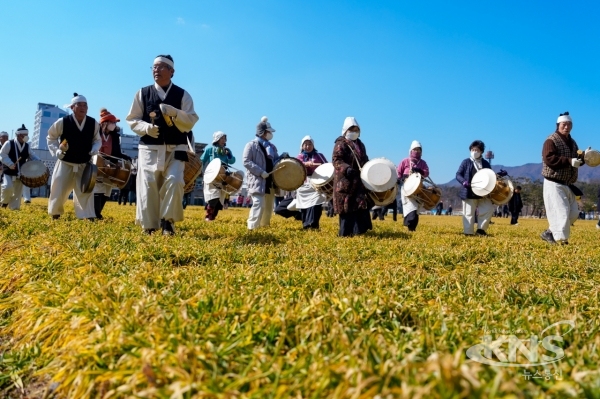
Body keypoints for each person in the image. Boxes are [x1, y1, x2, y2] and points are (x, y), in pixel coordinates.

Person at [126, 55, 199, 235]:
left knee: (175, 182)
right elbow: (132, 119)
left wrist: (176, 113)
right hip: (149, 148)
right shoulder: (142, 93)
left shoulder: (183, 95)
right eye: (154, 67)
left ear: (171, 72)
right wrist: (145, 127)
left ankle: (168, 222)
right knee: (148, 184)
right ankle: (149, 225)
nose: (156, 70)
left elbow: (190, 121)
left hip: (176, 148)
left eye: (161, 67)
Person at [47, 94, 102, 220]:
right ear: (72, 107)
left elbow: (97, 140)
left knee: (85, 191)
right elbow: (51, 137)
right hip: (65, 162)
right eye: (80, 105)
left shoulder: (93, 123)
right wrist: (56, 151)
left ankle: (87, 216)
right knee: (59, 188)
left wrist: (94, 149)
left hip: (83, 163)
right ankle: (55, 213)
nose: (83, 108)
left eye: (85, 105)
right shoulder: (63, 122)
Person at [540, 112, 586, 245]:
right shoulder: (551, 140)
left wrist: (583, 159)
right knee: (561, 213)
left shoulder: (572, 142)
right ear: (558, 125)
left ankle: (549, 232)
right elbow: (549, 158)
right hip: (553, 182)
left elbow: (577, 159)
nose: (566, 127)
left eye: (569, 124)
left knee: (573, 213)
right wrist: (569, 161)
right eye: (563, 124)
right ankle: (562, 241)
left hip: (567, 183)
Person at [243, 116, 288, 230]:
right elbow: (246, 161)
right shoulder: (251, 145)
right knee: (258, 204)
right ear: (263, 132)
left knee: (268, 207)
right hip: (257, 180)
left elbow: (275, 161)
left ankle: (264, 228)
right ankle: (252, 228)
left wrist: (282, 157)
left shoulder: (272, 147)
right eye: (269, 132)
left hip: (270, 181)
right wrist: (260, 172)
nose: (271, 134)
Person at [332, 117, 372, 237]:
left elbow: (365, 159)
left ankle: (358, 231)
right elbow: (336, 160)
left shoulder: (360, 144)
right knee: (346, 207)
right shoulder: (340, 144)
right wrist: (346, 168)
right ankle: (345, 233)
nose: (354, 132)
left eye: (356, 129)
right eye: (351, 129)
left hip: (358, 181)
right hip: (345, 181)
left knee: (359, 206)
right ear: (345, 130)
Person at [93, 108, 132, 219]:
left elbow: (117, 153)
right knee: (98, 186)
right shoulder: (96, 133)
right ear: (106, 123)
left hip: (110, 164)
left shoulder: (114, 136)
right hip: (96, 163)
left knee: (107, 189)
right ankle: (95, 213)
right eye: (112, 122)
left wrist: (126, 158)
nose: (114, 125)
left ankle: (98, 212)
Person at [455, 140, 496, 236]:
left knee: (488, 209)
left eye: (476, 150)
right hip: (469, 192)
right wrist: (463, 182)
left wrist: (498, 175)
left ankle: (481, 230)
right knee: (468, 213)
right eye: (472, 149)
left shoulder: (485, 164)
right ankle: (468, 232)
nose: (474, 152)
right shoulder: (466, 162)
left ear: (481, 151)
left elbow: (491, 176)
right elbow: (458, 174)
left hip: (483, 193)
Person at [1, 125, 41, 210]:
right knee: (8, 187)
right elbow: (2, 154)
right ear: (19, 135)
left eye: (27, 134)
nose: (27, 136)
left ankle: (14, 209)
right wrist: (10, 163)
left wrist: (39, 162)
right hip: (9, 172)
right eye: (25, 134)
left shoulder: (27, 146)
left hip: (20, 173)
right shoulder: (9, 143)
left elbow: (32, 156)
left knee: (17, 194)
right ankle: (4, 203)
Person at [295, 135, 328, 229]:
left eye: (310, 144)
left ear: (313, 145)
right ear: (302, 146)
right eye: (305, 144)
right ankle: (305, 224)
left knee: (316, 204)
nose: (308, 146)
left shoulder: (319, 156)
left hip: (317, 182)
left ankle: (314, 224)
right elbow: (295, 166)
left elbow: (326, 166)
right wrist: (305, 164)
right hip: (303, 183)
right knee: (304, 206)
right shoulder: (299, 157)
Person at [201, 131, 236, 221]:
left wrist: (229, 155)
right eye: (222, 138)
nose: (223, 140)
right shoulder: (209, 149)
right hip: (212, 175)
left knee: (220, 198)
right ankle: (208, 215)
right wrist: (201, 172)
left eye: (224, 138)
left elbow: (232, 161)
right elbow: (202, 160)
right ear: (217, 139)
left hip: (223, 176)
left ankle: (213, 216)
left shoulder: (227, 150)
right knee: (213, 196)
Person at [397, 140, 430, 231]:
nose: (417, 151)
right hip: (407, 188)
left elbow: (426, 173)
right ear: (411, 150)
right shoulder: (405, 161)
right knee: (410, 207)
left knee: (415, 208)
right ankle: (410, 226)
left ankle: (411, 226)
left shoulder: (423, 163)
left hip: (418, 189)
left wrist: (419, 170)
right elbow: (398, 173)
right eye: (415, 149)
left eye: (419, 150)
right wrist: (401, 179)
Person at [0, 131, 7, 202]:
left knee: (3, 185)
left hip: (5, 169)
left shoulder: (8, 147)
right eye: (4, 137)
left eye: (7, 137)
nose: (5, 139)